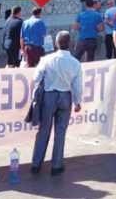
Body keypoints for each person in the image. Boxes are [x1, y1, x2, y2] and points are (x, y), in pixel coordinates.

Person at [31, 31, 83, 176]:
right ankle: (56, 165)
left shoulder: (46, 59)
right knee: (60, 132)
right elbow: (77, 85)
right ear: (70, 44)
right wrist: (78, 101)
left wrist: (35, 95)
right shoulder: (75, 63)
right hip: (65, 96)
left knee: (43, 131)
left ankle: (36, 164)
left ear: (56, 44)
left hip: (49, 96)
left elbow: (36, 78)